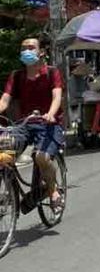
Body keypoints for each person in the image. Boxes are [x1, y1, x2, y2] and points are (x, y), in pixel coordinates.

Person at [0, 36, 64, 203]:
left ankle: (53, 190)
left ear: (41, 52)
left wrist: (50, 113)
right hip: (25, 125)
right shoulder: (16, 76)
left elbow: (57, 96)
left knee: (41, 157)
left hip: (49, 124)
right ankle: (7, 189)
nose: (26, 51)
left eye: (31, 48)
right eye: (23, 48)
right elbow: (4, 100)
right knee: (4, 153)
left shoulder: (52, 72)